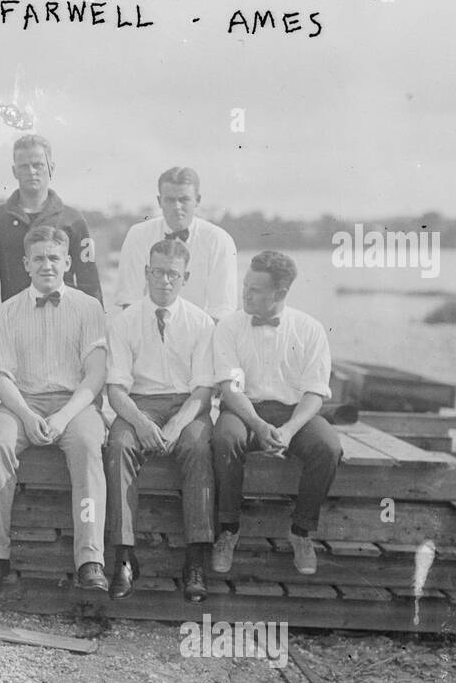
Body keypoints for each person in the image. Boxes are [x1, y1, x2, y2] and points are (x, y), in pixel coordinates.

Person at [0, 224, 109, 600]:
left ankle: (90, 559)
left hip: (73, 403)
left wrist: (63, 417)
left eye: (54, 257)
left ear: (67, 261)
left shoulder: (89, 307)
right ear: (25, 264)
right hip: (22, 402)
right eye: (38, 258)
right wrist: (27, 414)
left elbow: (96, 373)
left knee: (87, 445)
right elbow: (0, 375)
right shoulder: (8, 310)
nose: (46, 265)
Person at [210, 251, 342, 576]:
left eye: (255, 290)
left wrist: (290, 429)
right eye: (245, 285)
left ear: (280, 294)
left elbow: (314, 391)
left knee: (328, 447)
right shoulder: (229, 326)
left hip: (292, 413)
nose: (245, 294)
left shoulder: (309, 329)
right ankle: (228, 530)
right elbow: (230, 387)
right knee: (225, 440)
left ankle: (301, 532)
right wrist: (256, 423)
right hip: (243, 411)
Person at [105, 238, 216, 602]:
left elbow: (203, 390)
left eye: (172, 274)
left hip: (187, 406)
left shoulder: (200, 323)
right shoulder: (124, 321)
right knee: (119, 445)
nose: (164, 281)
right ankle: (123, 557)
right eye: (157, 272)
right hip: (140, 403)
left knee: (199, 446)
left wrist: (174, 426)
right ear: (146, 273)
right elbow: (116, 389)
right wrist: (139, 422)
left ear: (185, 277)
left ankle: (195, 560)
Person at [0, 133, 102, 304]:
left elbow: (89, 277)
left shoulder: (73, 219)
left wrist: (95, 319)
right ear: (14, 171)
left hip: (65, 314)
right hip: (15, 317)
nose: (31, 172)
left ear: (51, 168)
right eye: (24, 166)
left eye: (38, 165)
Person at [115, 166, 238, 319]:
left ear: (197, 200)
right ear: (159, 201)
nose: (177, 207)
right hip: (148, 331)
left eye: (184, 199)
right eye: (170, 200)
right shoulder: (138, 235)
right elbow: (130, 299)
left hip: (202, 334)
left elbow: (221, 308)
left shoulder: (219, 240)